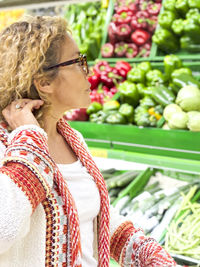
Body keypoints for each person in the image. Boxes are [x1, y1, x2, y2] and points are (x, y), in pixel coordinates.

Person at [0, 15, 177, 267]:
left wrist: (150, 257)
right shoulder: (9, 146)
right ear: (44, 82)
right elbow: (3, 228)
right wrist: (30, 139)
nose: (89, 71)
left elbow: (96, 219)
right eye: (78, 61)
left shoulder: (72, 139)